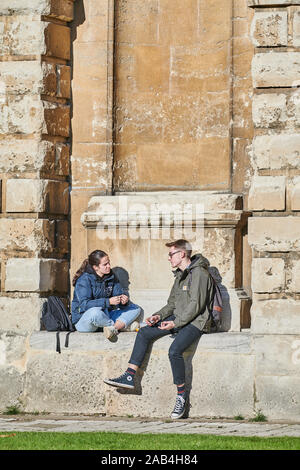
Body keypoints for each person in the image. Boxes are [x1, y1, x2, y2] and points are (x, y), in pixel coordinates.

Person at [103, 239, 215, 419]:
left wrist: (175, 324)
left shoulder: (199, 274)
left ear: (182, 254)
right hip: (179, 319)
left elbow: (196, 306)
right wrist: (158, 316)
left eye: (171, 254)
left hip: (197, 322)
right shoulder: (180, 275)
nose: (168, 258)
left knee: (174, 351)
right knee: (145, 331)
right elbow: (171, 304)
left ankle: (181, 396)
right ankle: (130, 376)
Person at [71, 250, 141, 342]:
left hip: (105, 316)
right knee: (95, 312)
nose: (109, 266)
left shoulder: (111, 276)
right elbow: (84, 305)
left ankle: (113, 328)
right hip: (84, 320)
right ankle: (120, 327)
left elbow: (118, 295)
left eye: (109, 263)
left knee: (135, 308)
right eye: (105, 264)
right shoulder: (84, 279)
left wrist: (123, 300)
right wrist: (108, 302)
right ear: (95, 267)